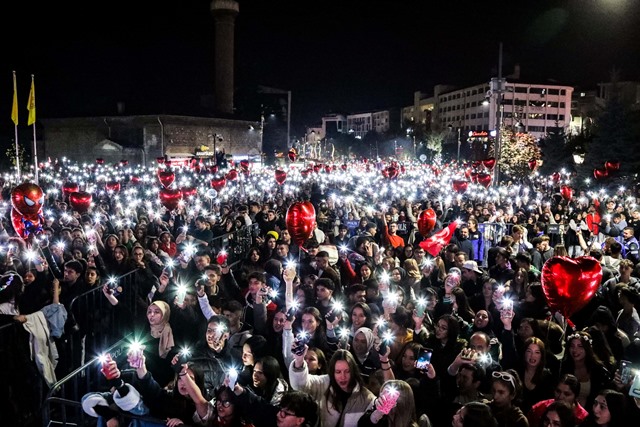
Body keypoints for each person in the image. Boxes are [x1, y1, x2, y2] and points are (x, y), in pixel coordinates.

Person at [289, 348, 375, 426]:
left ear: (353, 371)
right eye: (338, 372)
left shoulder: (367, 399)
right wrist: (299, 361)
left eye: (347, 371)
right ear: (332, 372)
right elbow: (300, 385)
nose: (343, 376)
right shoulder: (324, 383)